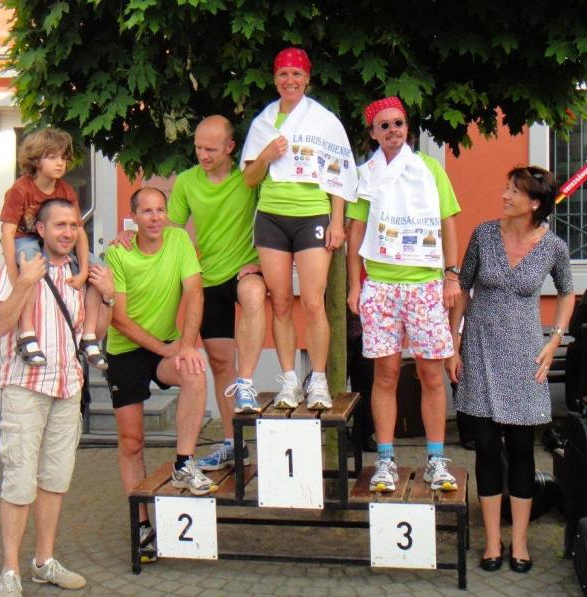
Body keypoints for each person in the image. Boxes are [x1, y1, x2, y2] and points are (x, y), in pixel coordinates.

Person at [116, 115, 268, 470]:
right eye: (198, 147)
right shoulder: (186, 181)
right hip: (210, 277)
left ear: (230, 147)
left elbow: (274, 217)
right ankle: (233, 445)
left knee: (253, 294)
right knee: (219, 363)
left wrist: (263, 262)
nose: (203, 154)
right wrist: (131, 233)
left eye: (211, 149)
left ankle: (247, 383)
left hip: (246, 269)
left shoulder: (249, 178)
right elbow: (166, 226)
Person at [446, 166, 575, 573]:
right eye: (506, 188)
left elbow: (568, 292)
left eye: (513, 191)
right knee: (485, 446)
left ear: (534, 203)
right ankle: (492, 541)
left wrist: (554, 339)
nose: (504, 195)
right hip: (480, 350)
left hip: (525, 357)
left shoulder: (553, 246)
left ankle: (519, 541)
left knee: (521, 449)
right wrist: (453, 343)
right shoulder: (484, 235)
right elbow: (462, 287)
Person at [0, 199, 115, 596]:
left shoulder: (81, 273)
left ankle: (43, 562)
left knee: (55, 480)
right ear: (41, 230)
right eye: (59, 225)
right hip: (25, 388)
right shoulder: (18, 266)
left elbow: (96, 333)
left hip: (68, 387)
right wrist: (24, 283)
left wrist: (108, 297)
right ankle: (10, 571)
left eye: (74, 225)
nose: (68, 232)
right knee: (19, 481)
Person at [346, 96, 461, 493]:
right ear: (373, 133)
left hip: (425, 283)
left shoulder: (430, 169)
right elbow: (356, 233)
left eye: (398, 123)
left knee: (431, 374)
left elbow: (448, 223)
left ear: (407, 127)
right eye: (384, 125)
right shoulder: (365, 175)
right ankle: (385, 460)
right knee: (386, 374)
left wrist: (451, 276)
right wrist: (354, 284)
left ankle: (436, 459)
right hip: (380, 284)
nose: (392, 130)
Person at [240, 47, 357, 409]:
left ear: (307, 78)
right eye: (283, 74)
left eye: (296, 74)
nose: (289, 81)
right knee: (280, 303)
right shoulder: (263, 121)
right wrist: (265, 156)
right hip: (272, 216)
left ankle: (318, 380)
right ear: (274, 79)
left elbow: (340, 174)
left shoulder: (324, 120)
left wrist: (337, 220)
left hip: (312, 214)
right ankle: (289, 380)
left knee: (312, 301)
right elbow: (249, 178)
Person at [105, 187, 217, 563]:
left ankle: (184, 463)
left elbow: (195, 293)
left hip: (167, 345)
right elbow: (119, 320)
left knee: (195, 370)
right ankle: (142, 525)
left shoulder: (179, 240)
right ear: (134, 217)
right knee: (132, 442)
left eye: (160, 210)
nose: (155, 218)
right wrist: (167, 348)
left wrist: (185, 346)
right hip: (125, 352)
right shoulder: (118, 252)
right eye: (147, 211)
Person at [0, 128, 107, 370]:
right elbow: (7, 233)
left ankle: (89, 336)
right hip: (26, 239)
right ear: (36, 160)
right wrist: (16, 277)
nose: (60, 163)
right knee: (32, 265)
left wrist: (84, 271)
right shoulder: (20, 189)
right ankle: (27, 333)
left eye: (63, 158)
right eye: (52, 157)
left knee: (100, 270)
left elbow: (79, 231)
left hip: (55, 240)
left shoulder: (65, 190)